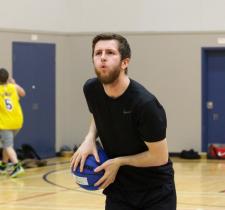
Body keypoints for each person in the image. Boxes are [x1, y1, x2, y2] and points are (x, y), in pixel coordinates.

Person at [71, 33, 177, 210]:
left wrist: (119, 161)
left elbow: (159, 157)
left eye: (110, 52)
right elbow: (98, 114)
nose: (103, 57)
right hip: (119, 188)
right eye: (98, 53)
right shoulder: (91, 89)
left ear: (125, 62)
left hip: (154, 191)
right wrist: (89, 138)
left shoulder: (145, 104)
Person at [0, 68, 25, 178]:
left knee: (8, 145)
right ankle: (4, 165)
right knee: (7, 144)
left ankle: (17, 165)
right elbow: (23, 93)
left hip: (6, 123)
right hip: (17, 121)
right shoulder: (13, 87)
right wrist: (13, 83)